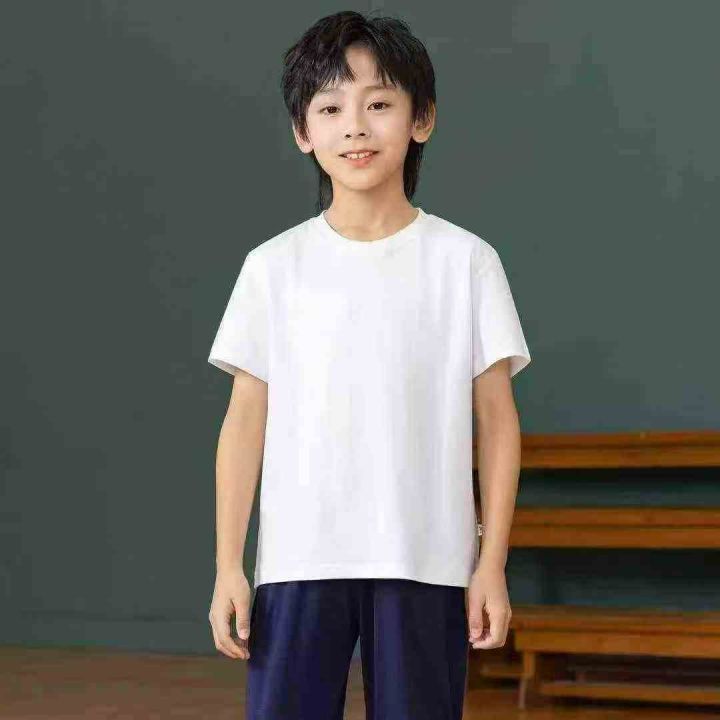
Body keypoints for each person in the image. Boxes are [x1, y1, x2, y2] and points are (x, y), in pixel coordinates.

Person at [207, 10, 531, 719]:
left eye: (378, 104)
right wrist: (230, 565)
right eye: (330, 108)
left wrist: (490, 565)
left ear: (422, 119)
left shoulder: (466, 263)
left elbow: (498, 424)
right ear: (303, 132)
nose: (355, 127)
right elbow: (245, 421)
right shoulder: (273, 267)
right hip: (298, 560)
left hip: (427, 561)